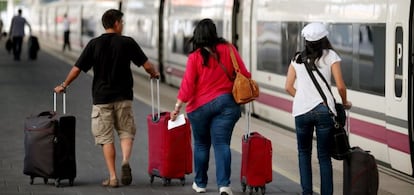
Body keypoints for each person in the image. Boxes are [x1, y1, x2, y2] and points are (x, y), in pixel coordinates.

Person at [54, 9, 159, 188]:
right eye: (122, 22)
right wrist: (154, 73)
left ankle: (112, 177)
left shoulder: (94, 44)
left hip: (102, 98)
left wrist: (64, 85)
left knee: (106, 137)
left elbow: (77, 68)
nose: (123, 25)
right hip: (124, 97)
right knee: (126, 131)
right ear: (116, 23)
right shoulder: (127, 42)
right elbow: (147, 65)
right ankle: (125, 161)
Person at [169, 18, 251, 195]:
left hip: (200, 108)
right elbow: (244, 74)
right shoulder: (229, 49)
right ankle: (224, 186)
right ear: (215, 32)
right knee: (222, 144)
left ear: (197, 35)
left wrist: (177, 107)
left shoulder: (195, 57)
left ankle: (200, 184)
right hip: (227, 104)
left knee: (201, 145)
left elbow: (188, 86)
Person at [285, 22, 352, 195]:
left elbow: (288, 86)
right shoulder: (331, 56)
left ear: (306, 40)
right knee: (323, 157)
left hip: (301, 112)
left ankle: (306, 192)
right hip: (324, 111)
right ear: (324, 38)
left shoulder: (297, 58)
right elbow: (341, 86)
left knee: (303, 153)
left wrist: (303, 99)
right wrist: (344, 103)